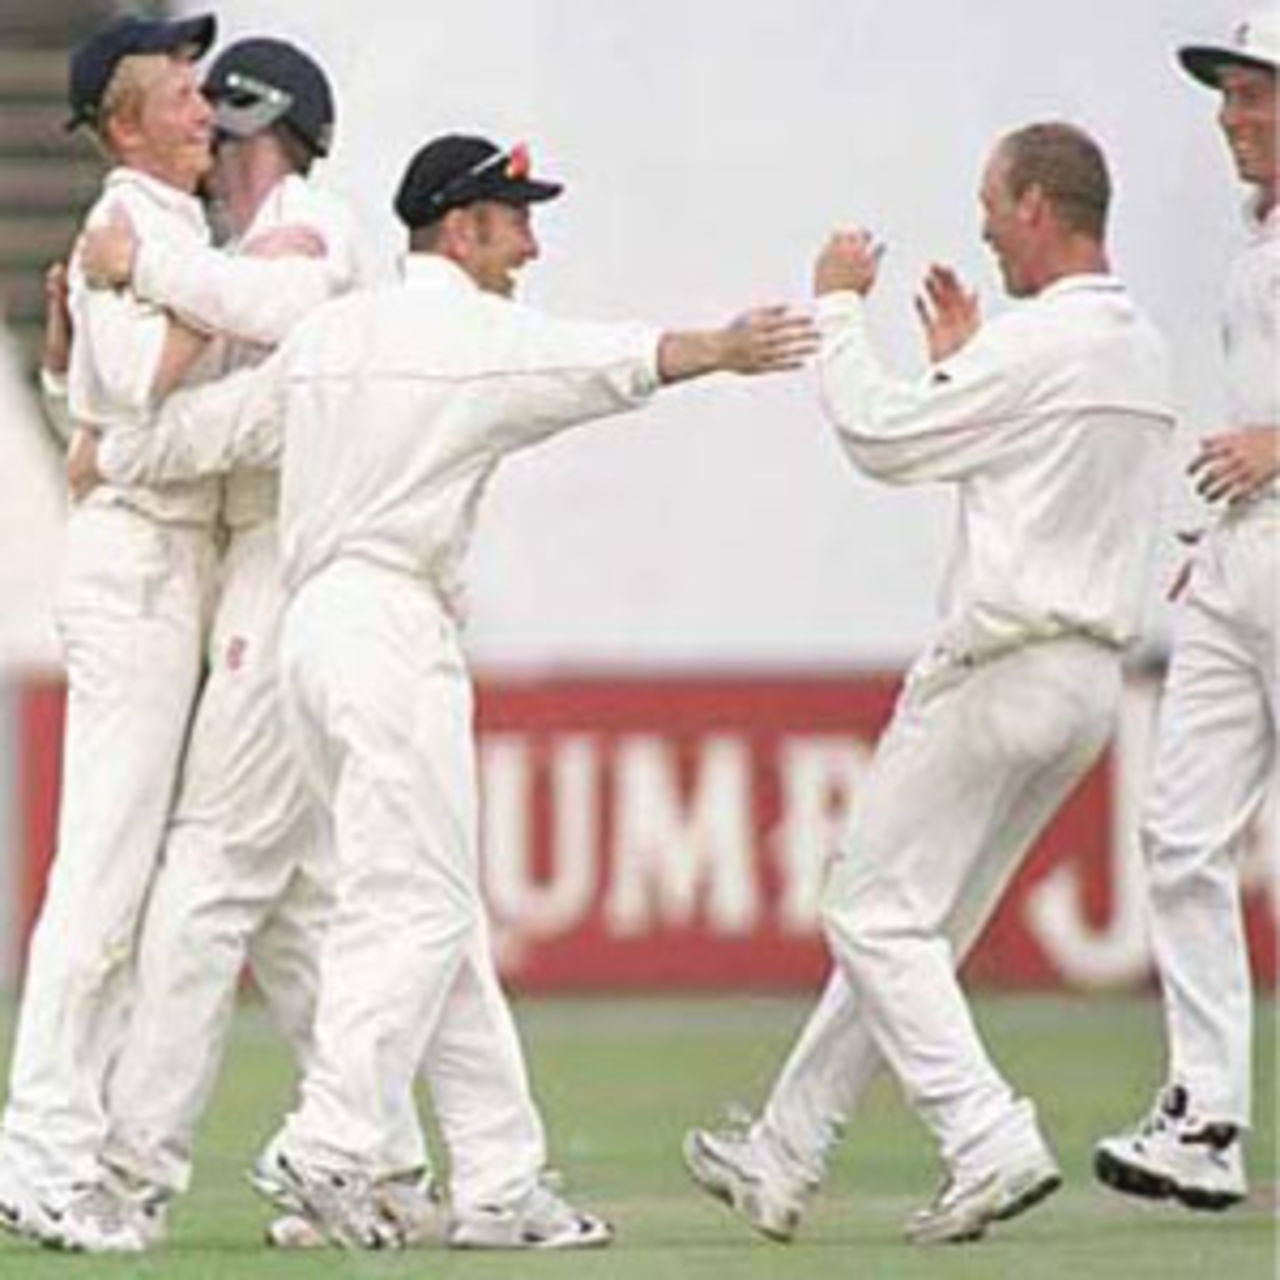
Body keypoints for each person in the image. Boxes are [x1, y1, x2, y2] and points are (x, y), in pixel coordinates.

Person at [89, 130, 817, 1250]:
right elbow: (603, 362)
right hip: (389, 632)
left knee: (437, 909)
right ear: (463, 228)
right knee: (417, 904)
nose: (530, 246)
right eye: (515, 221)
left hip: (308, 635)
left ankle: (498, 1179)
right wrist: (718, 348)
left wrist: (106, 450)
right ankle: (330, 1139)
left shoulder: (333, 334)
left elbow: (210, 433)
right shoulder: (472, 336)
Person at [684, 121, 1175, 1246]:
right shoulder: (1138, 346)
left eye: (994, 208)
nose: (986, 230)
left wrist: (836, 306)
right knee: (914, 930)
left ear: (1038, 206)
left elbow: (881, 434)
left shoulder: (1039, 344)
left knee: (867, 913)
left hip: (999, 668)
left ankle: (986, 1135)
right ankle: (782, 1152)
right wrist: (963, 362)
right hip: (1087, 684)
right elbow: (1022, 464)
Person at [0, 14, 225, 1253]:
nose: (205, 110)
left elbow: (92, 395)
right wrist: (239, 295)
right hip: (136, 569)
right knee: (99, 875)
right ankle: (38, 1155)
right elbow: (139, 387)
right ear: (127, 124)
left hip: (162, 567)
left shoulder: (167, 229)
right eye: (182, 95)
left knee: (130, 884)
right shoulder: (125, 228)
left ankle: (66, 1146)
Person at [1094, 10, 1278, 1211]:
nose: (1230, 117)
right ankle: (1204, 1114)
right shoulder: (1253, 240)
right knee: (1175, 832)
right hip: (1240, 557)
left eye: (1253, 95)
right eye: (1226, 96)